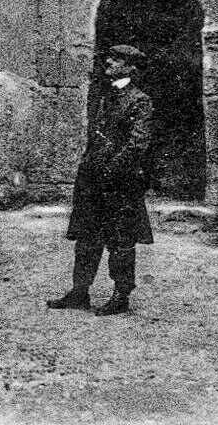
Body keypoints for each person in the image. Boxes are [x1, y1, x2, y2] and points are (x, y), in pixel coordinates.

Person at [47, 45, 154, 316]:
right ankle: (79, 292)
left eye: (116, 59)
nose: (108, 61)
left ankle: (121, 295)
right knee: (86, 237)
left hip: (120, 182)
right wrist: (90, 169)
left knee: (121, 239)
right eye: (110, 57)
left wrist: (111, 169)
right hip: (94, 179)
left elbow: (137, 144)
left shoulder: (140, 100)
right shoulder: (106, 96)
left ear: (130, 67)